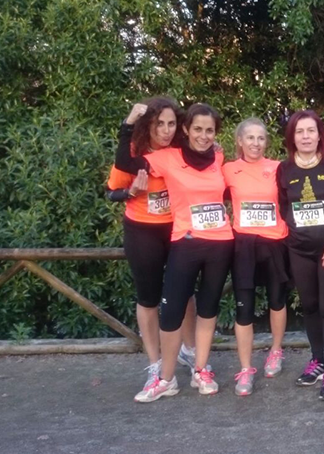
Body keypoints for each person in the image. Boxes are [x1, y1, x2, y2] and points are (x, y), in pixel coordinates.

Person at [116, 103, 234, 400]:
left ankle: (200, 368)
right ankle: (164, 377)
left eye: (209, 130)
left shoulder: (219, 157)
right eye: (198, 129)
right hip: (183, 240)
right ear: (187, 130)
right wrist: (128, 125)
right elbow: (125, 164)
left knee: (207, 308)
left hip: (220, 242)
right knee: (170, 310)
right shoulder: (168, 158)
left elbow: (238, 188)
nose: (204, 135)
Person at [107, 98, 198, 402]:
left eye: (171, 124)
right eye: (159, 124)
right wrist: (130, 191)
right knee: (148, 298)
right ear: (148, 125)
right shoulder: (133, 153)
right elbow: (110, 192)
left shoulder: (182, 152)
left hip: (178, 228)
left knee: (185, 291)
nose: (166, 130)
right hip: (143, 230)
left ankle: (189, 352)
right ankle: (155, 365)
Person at [276, 110, 324, 400]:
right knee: (309, 306)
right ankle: (317, 360)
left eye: (311, 131)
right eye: (300, 131)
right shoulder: (284, 169)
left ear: (320, 135)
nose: (306, 136)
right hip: (299, 249)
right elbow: (283, 205)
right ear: (292, 136)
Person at [223, 118, 290, 396]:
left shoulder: (278, 167)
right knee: (244, 308)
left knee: (277, 300)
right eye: (250, 138)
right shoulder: (228, 169)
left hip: (275, 241)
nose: (255, 143)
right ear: (239, 141)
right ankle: (246, 367)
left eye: (261, 138)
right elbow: (206, 191)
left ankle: (276, 350)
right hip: (244, 244)